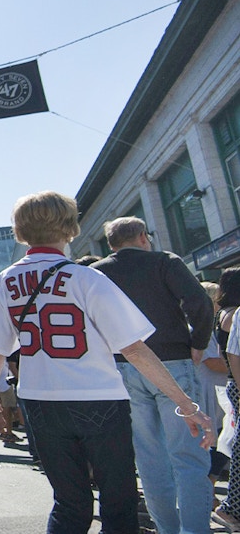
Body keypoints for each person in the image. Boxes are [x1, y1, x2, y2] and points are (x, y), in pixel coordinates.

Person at [0, 192, 213, 534]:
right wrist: (185, 403)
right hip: (99, 397)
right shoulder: (86, 278)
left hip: (40, 400)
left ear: (21, 230)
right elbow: (134, 350)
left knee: (69, 502)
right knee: (117, 502)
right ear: (69, 227)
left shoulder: (7, 280)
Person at [91, 215, 214, 534]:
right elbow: (199, 302)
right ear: (143, 237)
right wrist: (198, 343)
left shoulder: (95, 273)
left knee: (149, 460)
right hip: (172, 360)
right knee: (188, 457)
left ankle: (168, 529)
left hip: (122, 368)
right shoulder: (165, 262)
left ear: (110, 244)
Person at [215, 268, 240, 530]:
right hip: (237, 383)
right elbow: (235, 354)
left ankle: (231, 507)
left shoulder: (223, 313)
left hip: (232, 382)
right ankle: (231, 508)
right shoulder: (234, 315)